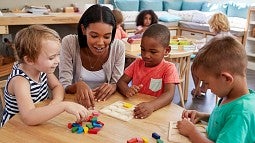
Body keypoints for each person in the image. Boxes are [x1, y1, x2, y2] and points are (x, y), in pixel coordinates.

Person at [0, 25, 90, 127]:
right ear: (29, 60)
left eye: (58, 54)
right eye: (51, 58)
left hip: (38, 121)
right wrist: (63, 106)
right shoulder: (20, 81)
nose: (58, 61)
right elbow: (29, 117)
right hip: (16, 128)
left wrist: (56, 101)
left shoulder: (42, 69)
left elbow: (57, 87)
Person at [177, 36, 255, 143]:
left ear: (226, 78)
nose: (205, 88)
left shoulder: (241, 113)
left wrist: (192, 133)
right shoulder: (231, 96)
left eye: (206, 83)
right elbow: (224, 120)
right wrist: (203, 116)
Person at [59, 4, 125, 109]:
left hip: (105, 105)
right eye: (94, 36)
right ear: (83, 29)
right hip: (74, 105)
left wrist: (113, 86)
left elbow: (117, 82)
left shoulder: (118, 47)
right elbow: (63, 86)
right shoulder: (69, 43)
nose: (100, 42)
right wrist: (77, 85)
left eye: (107, 36)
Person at [117, 24, 179, 119]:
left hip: (156, 111)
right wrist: (127, 90)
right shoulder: (137, 63)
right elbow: (121, 82)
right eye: (143, 49)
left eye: (153, 52)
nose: (146, 55)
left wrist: (152, 106)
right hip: (135, 109)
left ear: (166, 50)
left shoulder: (169, 68)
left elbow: (169, 94)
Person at [191, 12, 233, 97]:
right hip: (227, 66)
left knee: (194, 67)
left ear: (214, 25)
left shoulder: (217, 39)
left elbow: (206, 52)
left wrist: (200, 47)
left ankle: (198, 89)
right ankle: (204, 88)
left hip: (216, 67)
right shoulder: (229, 36)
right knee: (206, 64)